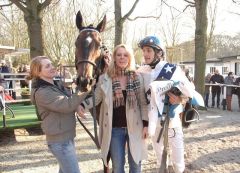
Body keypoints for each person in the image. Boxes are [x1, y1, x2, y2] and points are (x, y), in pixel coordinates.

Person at [78, 44, 148, 173]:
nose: (122, 58)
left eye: (125, 55)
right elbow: (97, 98)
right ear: (114, 57)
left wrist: (146, 124)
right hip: (115, 130)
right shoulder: (105, 78)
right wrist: (82, 105)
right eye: (119, 55)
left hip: (135, 127)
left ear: (130, 58)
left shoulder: (137, 77)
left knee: (136, 166)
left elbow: (143, 103)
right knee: (117, 167)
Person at [137, 36, 193, 173]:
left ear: (159, 53)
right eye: (144, 51)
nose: (145, 54)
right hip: (153, 123)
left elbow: (190, 91)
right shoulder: (142, 71)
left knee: (178, 162)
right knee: (160, 159)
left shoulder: (172, 69)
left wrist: (180, 99)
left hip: (171, 121)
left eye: (149, 51)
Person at [26, 56, 90, 173]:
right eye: (47, 66)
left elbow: (70, 99)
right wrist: (85, 89)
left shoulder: (55, 84)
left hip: (66, 137)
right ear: (38, 72)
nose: (52, 67)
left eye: (51, 64)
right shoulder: (42, 92)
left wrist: (77, 104)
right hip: (60, 142)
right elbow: (67, 105)